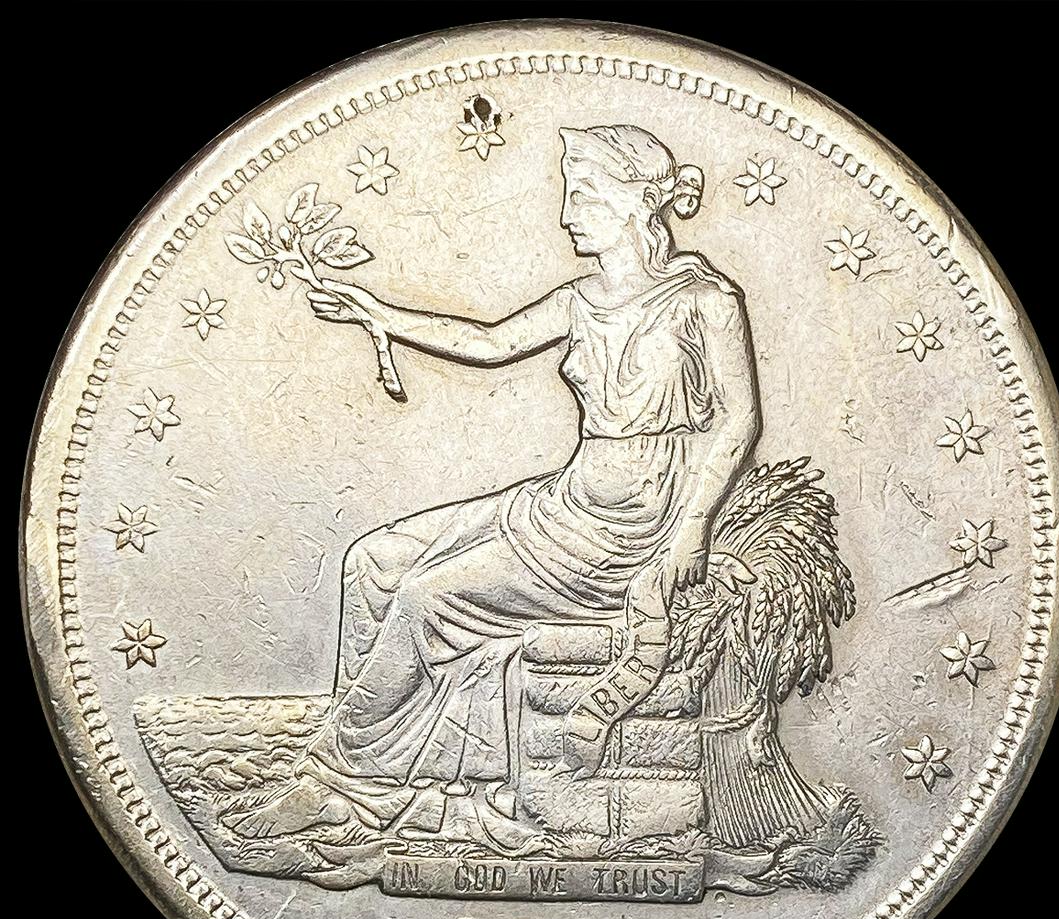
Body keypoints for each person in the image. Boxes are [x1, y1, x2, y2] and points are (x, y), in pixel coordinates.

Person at [225, 124, 761, 847]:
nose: (566, 216)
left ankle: (341, 784)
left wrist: (692, 528)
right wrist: (381, 315)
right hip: (564, 505)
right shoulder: (579, 300)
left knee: (425, 599)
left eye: (584, 196)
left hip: (631, 529)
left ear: (640, 202)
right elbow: (488, 342)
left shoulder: (707, 300)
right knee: (374, 560)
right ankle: (376, 771)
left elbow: (738, 422)